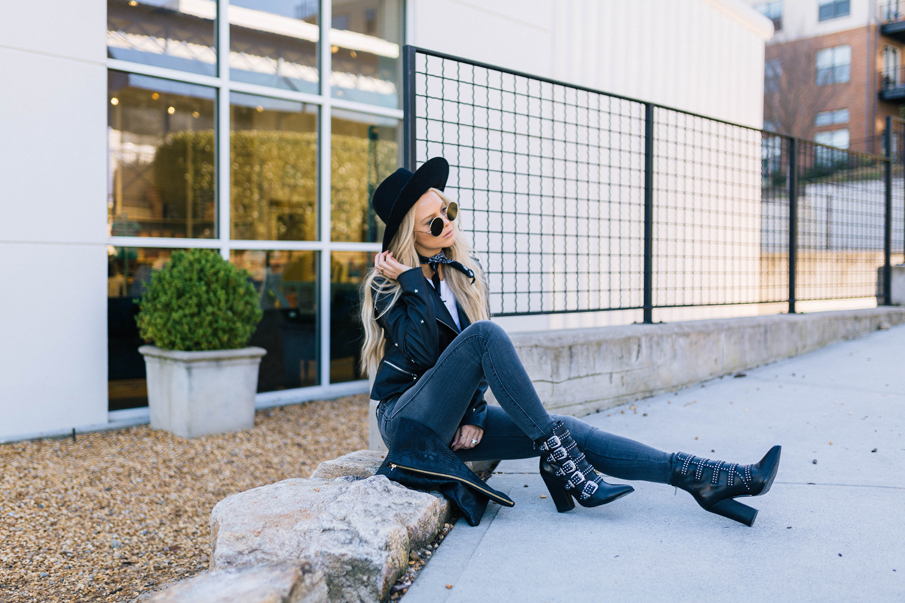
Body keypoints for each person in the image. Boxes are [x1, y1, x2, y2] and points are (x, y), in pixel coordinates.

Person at [360, 157, 781, 526]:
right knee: (488, 337)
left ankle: (709, 478)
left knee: (568, 431)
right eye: (435, 222)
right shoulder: (388, 286)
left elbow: (478, 367)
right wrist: (412, 281)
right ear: (409, 236)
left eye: (448, 210)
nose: (448, 223)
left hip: (454, 420)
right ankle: (566, 465)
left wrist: (474, 415)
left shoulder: (462, 274)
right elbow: (423, 352)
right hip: (408, 423)